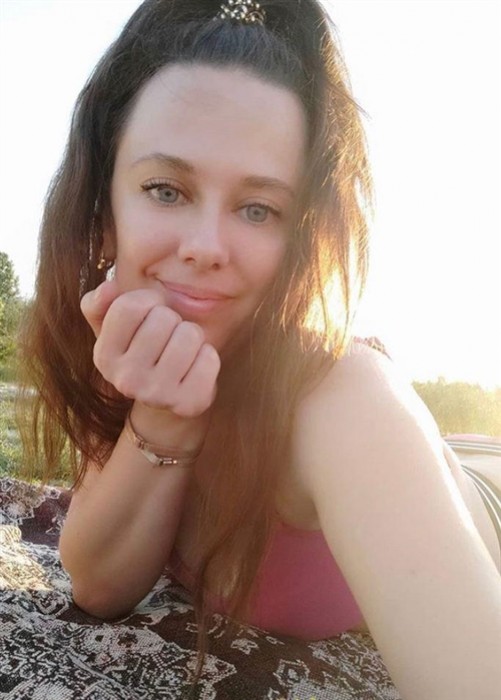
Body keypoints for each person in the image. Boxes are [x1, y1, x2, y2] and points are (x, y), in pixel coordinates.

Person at [17, 0, 501, 697]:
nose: (206, 247)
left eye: (257, 209)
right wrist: (167, 417)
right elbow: (97, 582)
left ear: (301, 234)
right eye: (165, 190)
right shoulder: (132, 355)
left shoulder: (345, 400)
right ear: (104, 206)